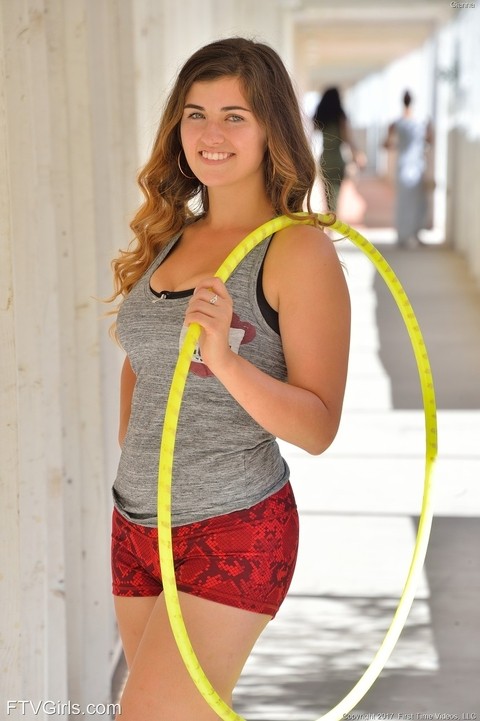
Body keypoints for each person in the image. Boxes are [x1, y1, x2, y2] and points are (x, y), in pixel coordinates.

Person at [108, 37, 350, 720]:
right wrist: (146, 453)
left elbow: (318, 425)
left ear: (272, 126)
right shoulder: (170, 238)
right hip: (135, 520)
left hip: (232, 527)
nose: (210, 134)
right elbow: (141, 363)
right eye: (195, 113)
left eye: (234, 115)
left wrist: (227, 361)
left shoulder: (297, 249)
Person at [383, 90, 434, 247]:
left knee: (404, 201)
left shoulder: (396, 123)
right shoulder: (421, 122)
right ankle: (413, 234)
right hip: (417, 164)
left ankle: (404, 235)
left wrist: (399, 145)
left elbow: (386, 144)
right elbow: (429, 140)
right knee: (418, 201)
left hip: (404, 164)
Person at [312, 86, 365, 211]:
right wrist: (357, 155)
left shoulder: (321, 117)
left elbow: (312, 132)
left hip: (324, 159)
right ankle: (332, 224)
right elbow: (347, 139)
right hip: (337, 160)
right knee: (335, 195)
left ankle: (329, 222)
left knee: (327, 196)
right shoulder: (340, 118)